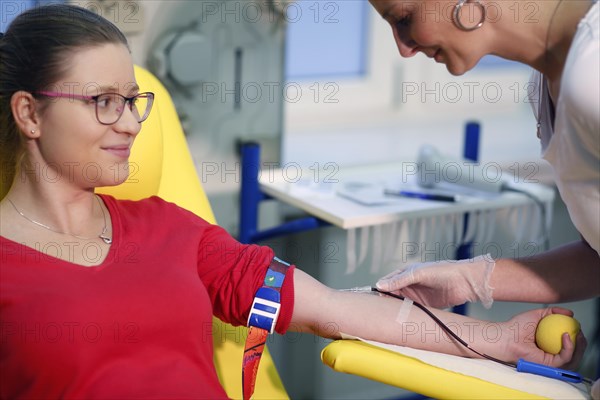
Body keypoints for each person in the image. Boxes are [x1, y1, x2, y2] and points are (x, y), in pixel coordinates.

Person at [0, 4, 584, 399]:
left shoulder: (173, 230)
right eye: (104, 101)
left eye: (134, 100)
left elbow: (334, 307)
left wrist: (494, 339)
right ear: (29, 112)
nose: (130, 123)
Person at [369, 0, 599, 396]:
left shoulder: (592, 75)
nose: (403, 48)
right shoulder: (544, 84)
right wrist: (472, 278)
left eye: (404, 18)